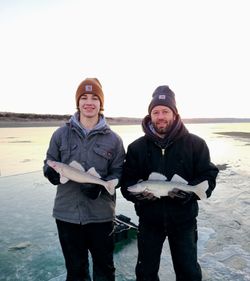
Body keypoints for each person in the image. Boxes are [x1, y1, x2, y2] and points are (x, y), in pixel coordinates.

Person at [120, 85, 219, 281]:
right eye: (156, 112)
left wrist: (190, 193)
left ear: (174, 114)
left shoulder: (196, 144)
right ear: (150, 116)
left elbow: (209, 175)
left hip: (184, 221)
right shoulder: (136, 148)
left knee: (189, 273)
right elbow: (127, 183)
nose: (160, 116)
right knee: (145, 274)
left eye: (165, 111)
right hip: (149, 222)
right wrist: (136, 195)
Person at [43, 78, 125, 281]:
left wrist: (102, 185)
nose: (89, 102)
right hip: (67, 216)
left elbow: (119, 173)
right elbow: (49, 162)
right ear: (78, 102)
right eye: (84, 97)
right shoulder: (60, 134)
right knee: (76, 272)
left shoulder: (114, 140)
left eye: (94, 98)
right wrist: (50, 172)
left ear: (101, 103)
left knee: (105, 271)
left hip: (101, 217)